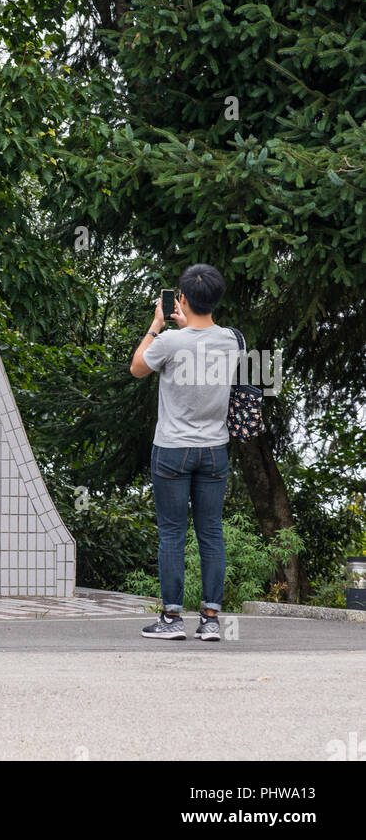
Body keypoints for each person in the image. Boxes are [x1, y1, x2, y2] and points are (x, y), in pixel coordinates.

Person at [130, 263, 241, 641]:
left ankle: (172, 619)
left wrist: (157, 325)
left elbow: (137, 368)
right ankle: (210, 620)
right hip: (214, 450)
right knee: (211, 532)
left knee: (172, 535)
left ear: (181, 298)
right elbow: (202, 345)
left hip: (173, 451)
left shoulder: (169, 342)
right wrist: (184, 325)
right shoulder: (232, 340)